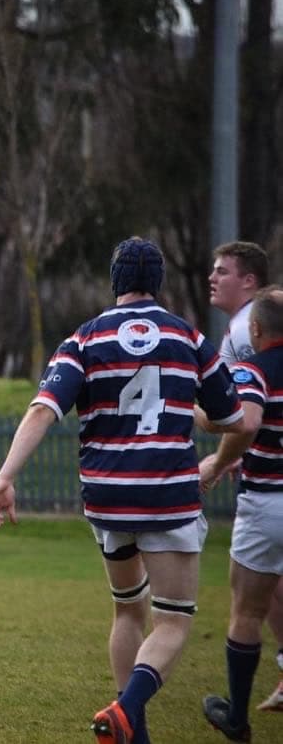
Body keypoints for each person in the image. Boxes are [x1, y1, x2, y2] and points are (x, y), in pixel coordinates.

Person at [0, 237, 243, 744]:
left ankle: (132, 733)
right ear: (159, 283)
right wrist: (187, 413)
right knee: (172, 623)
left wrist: (5, 476)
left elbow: (43, 410)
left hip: (108, 500)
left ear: (115, 281)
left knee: (128, 608)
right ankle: (127, 709)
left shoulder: (85, 339)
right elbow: (231, 417)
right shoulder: (188, 337)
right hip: (168, 496)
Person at [199, 285, 283, 741]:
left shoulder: (254, 369)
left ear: (255, 329)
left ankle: (237, 717)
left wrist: (216, 460)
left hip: (268, 504)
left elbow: (246, 421)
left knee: (247, 612)